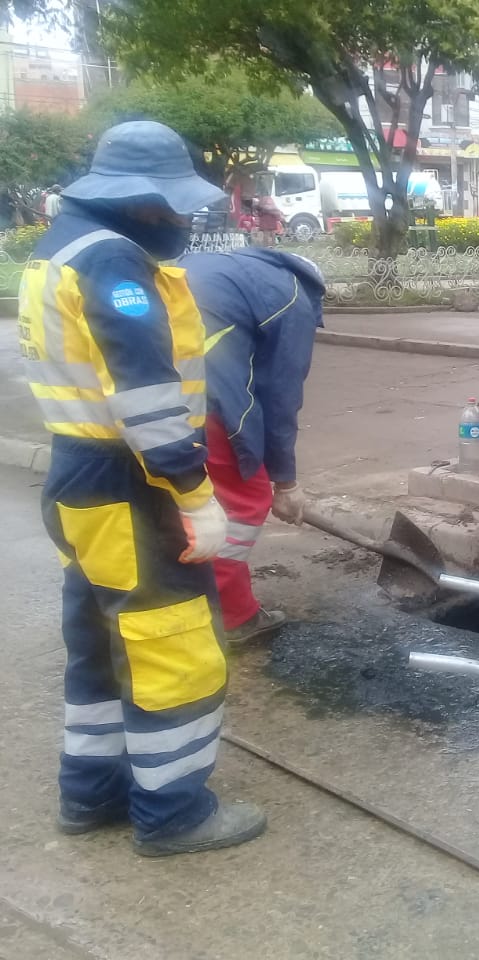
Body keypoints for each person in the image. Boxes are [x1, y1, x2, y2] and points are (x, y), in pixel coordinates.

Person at [16, 120, 267, 856]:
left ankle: (90, 796)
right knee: (173, 646)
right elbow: (147, 399)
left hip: (79, 477)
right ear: (142, 202)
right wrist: (195, 495)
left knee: (99, 640)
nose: (183, 220)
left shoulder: (55, 248)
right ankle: (173, 813)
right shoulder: (113, 265)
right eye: (174, 206)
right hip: (132, 483)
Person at [178, 248, 326, 644]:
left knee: (184, 499)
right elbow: (280, 395)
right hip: (202, 397)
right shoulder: (293, 296)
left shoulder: (237, 269)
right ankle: (222, 616)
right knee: (244, 502)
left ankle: (211, 606)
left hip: (147, 393)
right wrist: (285, 483)